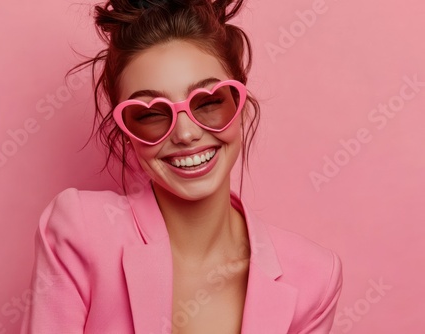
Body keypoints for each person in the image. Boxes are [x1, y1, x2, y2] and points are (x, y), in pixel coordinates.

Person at [21, 0, 343, 333]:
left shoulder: (313, 277)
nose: (186, 133)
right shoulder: (81, 230)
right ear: (126, 133)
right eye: (151, 114)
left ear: (240, 105)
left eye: (208, 102)